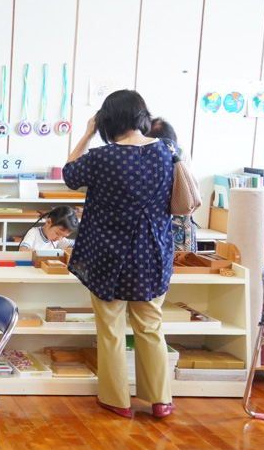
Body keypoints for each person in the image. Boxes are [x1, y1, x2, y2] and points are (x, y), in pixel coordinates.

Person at [63, 89, 176, 419]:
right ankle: (160, 399)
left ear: (108, 121)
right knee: (151, 326)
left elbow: (69, 176)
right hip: (154, 255)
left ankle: (117, 400)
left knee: (111, 328)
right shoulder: (167, 152)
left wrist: (85, 134)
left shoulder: (103, 157)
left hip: (109, 256)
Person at [146, 117, 198, 252]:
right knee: (180, 266)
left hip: (157, 220)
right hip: (180, 217)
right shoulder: (180, 150)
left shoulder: (144, 154)